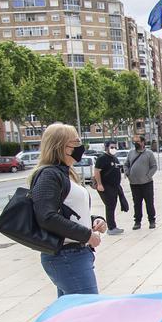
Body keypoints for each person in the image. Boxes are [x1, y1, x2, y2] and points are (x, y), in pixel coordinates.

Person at [30, 123, 106, 296]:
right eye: (76, 142)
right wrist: (86, 235)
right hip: (66, 255)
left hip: (74, 254)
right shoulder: (50, 175)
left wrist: (94, 220)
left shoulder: (65, 173)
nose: (80, 146)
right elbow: (46, 216)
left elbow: (68, 211)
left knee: (71, 315)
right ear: (61, 146)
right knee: (87, 312)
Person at [93, 140, 125, 235]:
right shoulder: (102, 158)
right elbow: (97, 171)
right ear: (106, 147)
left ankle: (113, 226)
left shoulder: (114, 158)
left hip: (114, 186)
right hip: (106, 186)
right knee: (110, 205)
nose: (114, 149)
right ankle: (111, 228)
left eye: (115, 147)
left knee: (113, 205)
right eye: (112, 147)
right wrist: (99, 184)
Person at [127, 136, 158, 230]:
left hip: (147, 183)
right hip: (134, 183)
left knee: (149, 203)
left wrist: (148, 176)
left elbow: (154, 166)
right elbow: (126, 165)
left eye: (138, 141)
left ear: (143, 142)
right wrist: (128, 174)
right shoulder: (131, 153)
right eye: (134, 141)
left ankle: (152, 221)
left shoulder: (149, 153)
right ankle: (137, 222)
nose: (136, 143)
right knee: (137, 203)